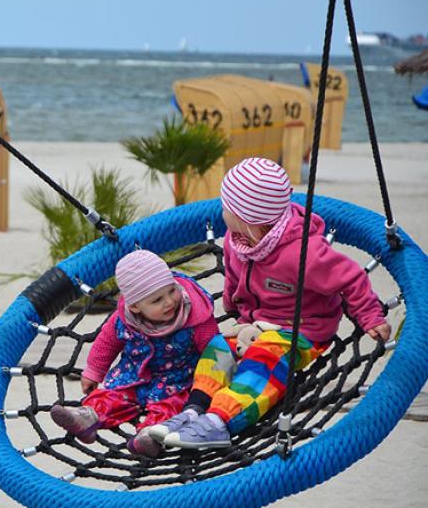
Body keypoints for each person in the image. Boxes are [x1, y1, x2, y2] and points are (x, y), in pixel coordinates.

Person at [161, 157, 391, 450]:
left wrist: (370, 316)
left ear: (249, 218)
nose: (222, 213)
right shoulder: (238, 240)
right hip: (255, 323)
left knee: (262, 359)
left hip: (302, 332)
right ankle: (194, 409)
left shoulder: (302, 253)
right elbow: (233, 275)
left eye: (226, 207)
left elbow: (350, 278)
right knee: (217, 350)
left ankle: (220, 421)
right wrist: (234, 306)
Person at [49, 249, 230, 457]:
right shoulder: (125, 319)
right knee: (111, 395)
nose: (170, 301)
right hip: (133, 376)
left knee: (171, 407)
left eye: (172, 290)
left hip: (178, 381)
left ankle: (150, 436)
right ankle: (87, 417)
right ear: (135, 307)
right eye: (157, 300)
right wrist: (94, 371)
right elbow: (106, 342)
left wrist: (213, 385)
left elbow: (214, 352)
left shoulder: (195, 318)